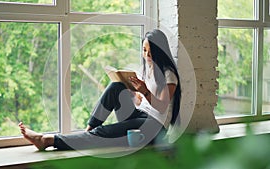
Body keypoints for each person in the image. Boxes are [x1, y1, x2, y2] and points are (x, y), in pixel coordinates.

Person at [19, 29, 181, 151]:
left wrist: (145, 90)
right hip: (141, 116)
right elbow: (142, 102)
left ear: (159, 51)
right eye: (144, 50)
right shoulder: (148, 68)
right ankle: (88, 130)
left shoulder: (168, 74)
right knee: (116, 86)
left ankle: (48, 140)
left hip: (155, 127)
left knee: (104, 132)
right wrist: (134, 93)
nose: (146, 55)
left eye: (151, 52)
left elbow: (161, 106)